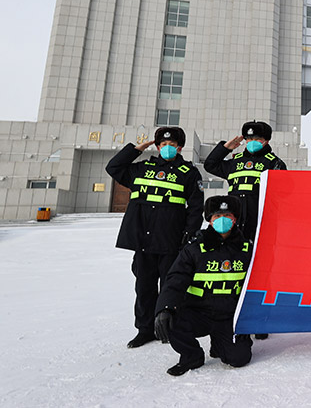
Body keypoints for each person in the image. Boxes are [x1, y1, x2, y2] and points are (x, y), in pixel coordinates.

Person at [106, 126, 204, 349]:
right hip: (143, 241)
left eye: (172, 145)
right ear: (157, 146)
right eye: (163, 144)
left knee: (171, 286)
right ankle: (145, 329)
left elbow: (196, 208)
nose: (167, 148)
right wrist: (134, 150)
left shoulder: (188, 173)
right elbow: (113, 167)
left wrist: (188, 236)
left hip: (171, 240)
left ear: (180, 147)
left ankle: (170, 327)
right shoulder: (142, 168)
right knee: (144, 287)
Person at [153, 196, 253, 376]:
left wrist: (253, 322)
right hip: (198, 311)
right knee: (171, 320)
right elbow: (176, 279)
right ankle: (191, 356)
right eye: (217, 216)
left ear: (235, 218)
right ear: (209, 219)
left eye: (228, 215)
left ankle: (220, 343)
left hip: (229, 315)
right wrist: (165, 308)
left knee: (239, 357)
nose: (222, 220)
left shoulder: (247, 249)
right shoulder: (194, 248)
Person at [203, 120, 286, 242]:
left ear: (266, 141)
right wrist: (225, 148)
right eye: (249, 139)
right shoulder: (235, 161)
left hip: (258, 217)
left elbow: (283, 193)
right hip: (234, 217)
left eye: (257, 139)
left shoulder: (274, 163)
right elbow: (210, 165)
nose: (252, 142)